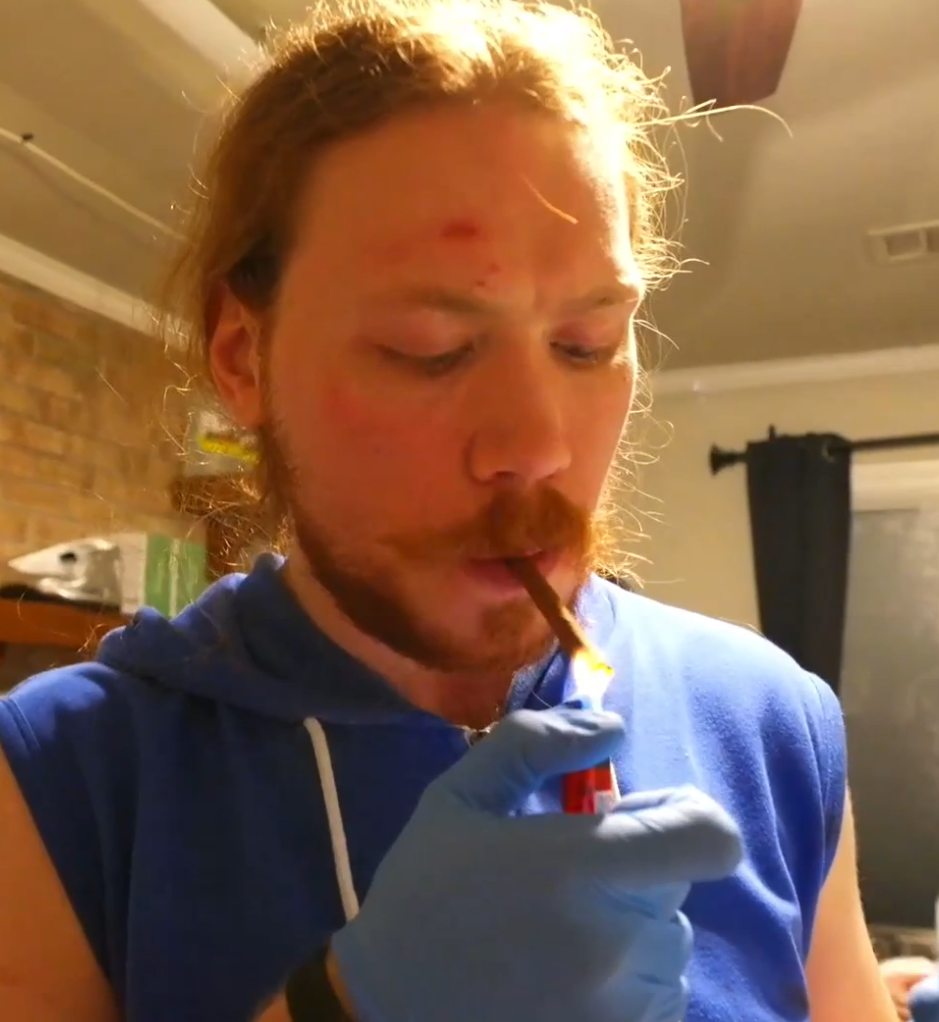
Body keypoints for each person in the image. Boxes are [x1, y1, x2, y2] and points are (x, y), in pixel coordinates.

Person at [0, 1, 899, 1020]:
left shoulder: (772, 723)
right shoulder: (60, 779)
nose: (538, 445)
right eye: (428, 349)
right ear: (244, 358)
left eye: (588, 344)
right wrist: (345, 1004)